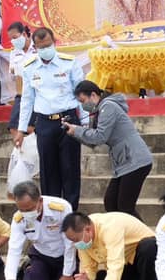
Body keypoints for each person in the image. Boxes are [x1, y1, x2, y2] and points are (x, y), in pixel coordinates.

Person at [14, 27, 84, 209]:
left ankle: (70, 212)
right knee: (48, 170)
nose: (45, 49)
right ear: (34, 46)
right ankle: (53, 211)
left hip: (68, 119)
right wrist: (21, 130)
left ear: (54, 43)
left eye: (48, 45)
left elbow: (81, 95)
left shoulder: (69, 63)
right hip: (44, 123)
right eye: (41, 46)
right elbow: (27, 100)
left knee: (70, 169)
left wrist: (85, 122)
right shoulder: (29, 67)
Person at [63, 80, 152, 220]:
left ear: (93, 95)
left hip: (135, 160)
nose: (82, 105)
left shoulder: (108, 107)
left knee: (125, 207)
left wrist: (77, 130)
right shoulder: (99, 111)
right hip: (124, 162)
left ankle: (146, 239)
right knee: (111, 202)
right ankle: (125, 235)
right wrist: (74, 132)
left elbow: (99, 136)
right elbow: (93, 141)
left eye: (83, 100)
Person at [62, 211, 158, 280]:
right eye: (72, 241)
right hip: (127, 265)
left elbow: (115, 264)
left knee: (148, 247)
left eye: (76, 240)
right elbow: (88, 266)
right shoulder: (83, 240)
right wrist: (88, 278)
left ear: (88, 230)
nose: (75, 244)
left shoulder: (110, 227)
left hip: (145, 260)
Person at [3, 180, 76, 280]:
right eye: (22, 210)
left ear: (40, 201)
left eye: (30, 209)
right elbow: (14, 250)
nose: (26, 213)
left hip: (64, 255)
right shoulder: (19, 219)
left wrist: (67, 273)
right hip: (41, 256)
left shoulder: (61, 208)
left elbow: (70, 243)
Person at [6, 22, 34, 133]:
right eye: (11, 39)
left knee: (31, 127)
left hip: (36, 93)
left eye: (15, 37)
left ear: (24, 34)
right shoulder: (14, 52)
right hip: (21, 94)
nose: (13, 41)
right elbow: (12, 72)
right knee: (13, 127)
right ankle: (19, 150)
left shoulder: (37, 48)